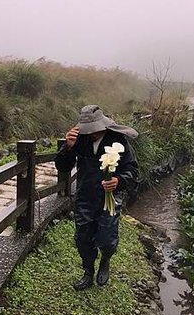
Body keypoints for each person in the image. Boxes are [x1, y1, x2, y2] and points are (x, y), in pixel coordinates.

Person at [55, 105, 139, 290]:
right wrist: (67, 148)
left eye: (94, 128)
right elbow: (63, 167)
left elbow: (132, 170)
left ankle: (106, 259)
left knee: (107, 237)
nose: (91, 133)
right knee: (83, 237)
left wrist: (118, 180)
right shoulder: (79, 139)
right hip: (85, 195)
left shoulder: (117, 140)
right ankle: (88, 272)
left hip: (110, 197)